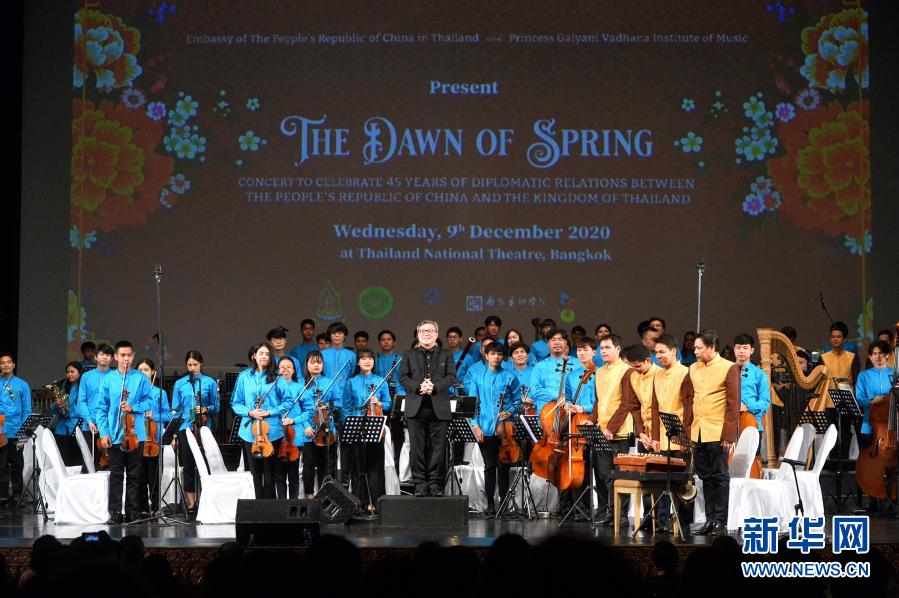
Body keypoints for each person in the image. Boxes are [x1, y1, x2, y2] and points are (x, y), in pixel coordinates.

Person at [685, 330, 741, 536]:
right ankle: (709, 520)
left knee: (719, 476)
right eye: (695, 348)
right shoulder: (693, 368)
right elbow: (689, 399)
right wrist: (688, 430)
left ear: (711, 347)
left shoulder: (728, 367)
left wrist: (729, 435)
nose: (695, 351)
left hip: (717, 431)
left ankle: (720, 521)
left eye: (699, 348)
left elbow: (733, 403)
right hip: (698, 430)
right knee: (705, 477)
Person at [96, 341, 155, 524]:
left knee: (134, 475)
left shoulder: (140, 378)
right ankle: (114, 513)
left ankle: (132, 512)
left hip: (135, 434)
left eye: (129, 355)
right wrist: (104, 433)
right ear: (116, 357)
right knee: (116, 475)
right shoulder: (108, 379)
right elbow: (101, 408)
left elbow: (150, 402)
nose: (126, 359)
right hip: (114, 434)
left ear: (133, 356)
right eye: (123, 355)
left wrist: (133, 407)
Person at [399, 320, 457, 497]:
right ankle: (420, 485)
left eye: (430, 331)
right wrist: (419, 387)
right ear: (418, 334)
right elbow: (403, 377)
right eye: (423, 331)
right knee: (417, 449)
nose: (426, 333)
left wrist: (435, 387)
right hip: (415, 408)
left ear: (436, 334)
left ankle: (435, 484)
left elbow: (451, 377)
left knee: (438, 449)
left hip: (439, 407)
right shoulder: (409, 354)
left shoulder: (446, 354)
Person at [230, 342, 291, 499]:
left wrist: (270, 412)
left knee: (270, 474)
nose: (264, 357)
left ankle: (269, 507)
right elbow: (236, 403)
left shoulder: (277, 377)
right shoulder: (244, 376)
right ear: (254, 356)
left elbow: (288, 402)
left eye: (267, 354)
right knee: (254, 474)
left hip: (272, 431)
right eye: (261, 353)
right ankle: (257, 506)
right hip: (249, 432)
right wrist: (250, 412)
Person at [466, 343, 521, 514]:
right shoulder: (477, 377)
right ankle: (490, 505)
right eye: (493, 353)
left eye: (499, 354)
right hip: (484, 428)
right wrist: (475, 425)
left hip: (505, 429)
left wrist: (510, 411)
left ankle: (503, 504)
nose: (496, 357)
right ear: (486, 355)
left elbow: (518, 401)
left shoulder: (510, 377)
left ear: (503, 357)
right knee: (489, 467)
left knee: (503, 467)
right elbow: (473, 404)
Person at [594, 334, 643, 525]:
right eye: (601, 348)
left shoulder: (627, 371)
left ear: (617, 349)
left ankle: (621, 515)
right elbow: (599, 401)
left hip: (619, 432)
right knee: (605, 474)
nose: (603, 351)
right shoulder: (599, 371)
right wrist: (591, 420)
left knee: (620, 475)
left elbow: (626, 404)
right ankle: (610, 511)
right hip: (602, 430)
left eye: (607, 347)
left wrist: (611, 428)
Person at [650, 334, 694, 533]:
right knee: (661, 482)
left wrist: (685, 439)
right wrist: (655, 438)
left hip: (681, 438)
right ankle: (661, 522)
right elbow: (654, 408)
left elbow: (689, 409)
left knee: (682, 483)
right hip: (663, 437)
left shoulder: (686, 373)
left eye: (662, 352)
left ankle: (683, 524)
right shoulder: (657, 375)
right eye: (656, 353)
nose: (658, 356)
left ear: (673, 351)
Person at [170, 350, 220, 511]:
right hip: (185, 428)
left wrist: (205, 409)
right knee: (188, 465)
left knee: (205, 463)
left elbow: (217, 406)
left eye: (195, 365)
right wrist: (174, 434)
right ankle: (191, 502)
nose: (192, 368)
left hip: (204, 428)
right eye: (189, 365)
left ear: (201, 364)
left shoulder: (209, 382)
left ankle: (207, 498)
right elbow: (175, 410)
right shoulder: (180, 384)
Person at [342, 349, 392, 510]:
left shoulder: (381, 381)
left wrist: (379, 403)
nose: (367, 361)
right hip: (356, 424)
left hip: (375, 423)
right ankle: (359, 501)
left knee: (375, 464)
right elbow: (346, 408)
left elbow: (388, 404)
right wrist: (348, 427)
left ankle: (374, 501)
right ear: (358, 362)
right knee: (358, 464)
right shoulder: (351, 382)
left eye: (370, 358)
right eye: (363, 358)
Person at [855, 339, 894, 509]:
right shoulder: (863, 376)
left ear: (887, 355)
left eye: (881, 354)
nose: (877, 357)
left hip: (892, 427)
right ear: (870, 357)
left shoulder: (895, 374)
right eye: (874, 354)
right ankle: (873, 499)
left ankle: (892, 497)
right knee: (871, 464)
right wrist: (871, 401)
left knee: (892, 463)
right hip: (870, 425)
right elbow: (859, 398)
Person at [299, 350, 337, 497]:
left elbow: (338, 402)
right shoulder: (301, 383)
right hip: (308, 429)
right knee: (308, 463)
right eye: (313, 362)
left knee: (325, 465)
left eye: (319, 362)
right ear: (307, 365)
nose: (316, 365)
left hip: (326, 427)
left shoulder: (329, 382)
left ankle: (324, 496)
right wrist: (306, 426)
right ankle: (309, 494)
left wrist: (327, 405)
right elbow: (297, 408)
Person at [819, 321, 859, 458]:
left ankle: (844, 461)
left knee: (846, 431)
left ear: (844, 339)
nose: (835, 339)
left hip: (847, 399)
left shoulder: (851, 357)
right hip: (829, 401)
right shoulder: (823, 358)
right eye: (833, 336)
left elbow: (856, 378)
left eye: (838, 336)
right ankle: (832, 461)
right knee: (831, 431)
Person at [135, 358, 168, 516]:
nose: (143, 373)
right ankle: (142, 507)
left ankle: (155, 507)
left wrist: (154, 415)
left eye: (146, 370)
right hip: (137, 438)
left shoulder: (160, 393)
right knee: (139, 476)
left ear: (153, 372)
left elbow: (168, 415)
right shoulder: (133, 393)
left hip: (154, 439)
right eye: (140, 370)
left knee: (154, 476)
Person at [75, 343, 114, 471]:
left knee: (110, 464)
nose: (105, 357)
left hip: (110, 426)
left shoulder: (116, 377)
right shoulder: (86, 377)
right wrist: (89, 420)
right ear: (96, 357)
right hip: (90, 425)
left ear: (112, 358)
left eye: (108, 355)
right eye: (102, 354)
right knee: (88, 464)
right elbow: (81, 401)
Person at [733, 334, 771, 461]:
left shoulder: (759, 374)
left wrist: (748, 407)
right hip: (730, 425)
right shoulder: (727, 370)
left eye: (745, 348)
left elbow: (765, 401)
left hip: (753, 424)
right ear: (734, 349)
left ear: (752, 350)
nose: (742, 351)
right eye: (738, 348)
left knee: (751, 462)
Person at [0, 352, 30, 507]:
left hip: (18, 430)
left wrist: (23, 430)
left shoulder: (22, 384)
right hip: (1, 431)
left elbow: (27, 409)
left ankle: (17, 495)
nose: (6, 365)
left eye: (8, 362)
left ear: (13, 365)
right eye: (2, 362)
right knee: (2, 465)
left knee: (17, 463)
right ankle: (3, 495)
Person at [374, 329, 406, 471]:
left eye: (389, 339)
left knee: (397, 433)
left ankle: (398, 464)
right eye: (383, 340)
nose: (386, 342)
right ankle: (382, 463)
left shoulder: (400, 359)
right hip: (380, 399)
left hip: (396, 397)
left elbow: (403, 380)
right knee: (381, 432)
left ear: (394, 342)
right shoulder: (375, 360)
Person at [275, 357, 306, 500]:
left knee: (293, 473)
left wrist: (296, 421)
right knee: (279, 474)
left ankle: (293, 504)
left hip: (295, 433)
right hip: (277, 433)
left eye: (289, 367)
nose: (285, 370)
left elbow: (307, 410)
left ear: (294, 370)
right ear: (277, 370)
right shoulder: (273, 387)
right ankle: (281, 505)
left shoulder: (300, 387)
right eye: (282, 367)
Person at [621, 344, 660, 453]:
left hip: (661, 436)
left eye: (638, 366)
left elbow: (662, 409)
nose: (636, 370)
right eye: (632, 367)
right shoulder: (633, 376)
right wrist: (641, 433)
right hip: (644, 435)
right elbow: (635, 408)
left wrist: (656, 437)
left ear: (648, 360)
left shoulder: (660, 374)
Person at [529, 328, 574, 413]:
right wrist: (557, 396)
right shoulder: (539, 366)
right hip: (547, 412)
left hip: (571, 411)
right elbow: (536, 389)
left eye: (560, 339)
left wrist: (567, 398)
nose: (557, 343)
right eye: (553, 340)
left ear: (565, 343)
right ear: (548, 344)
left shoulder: (577, 364)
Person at [49, 361, 83, 466]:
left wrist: (70, 410)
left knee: (77, 461)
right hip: (62, 429)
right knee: (63, 461)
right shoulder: (64, 388)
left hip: (77, 427)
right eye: (68, 372)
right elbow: (53, 409)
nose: (69, 374)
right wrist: (57, 404)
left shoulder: (83, 388)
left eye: (72, 372)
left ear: (79, 373)